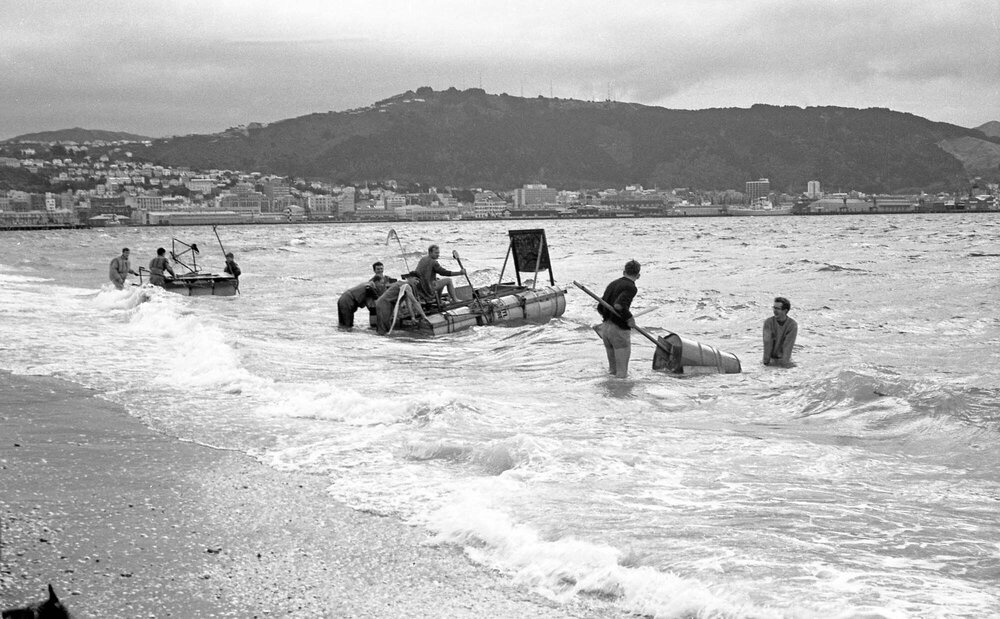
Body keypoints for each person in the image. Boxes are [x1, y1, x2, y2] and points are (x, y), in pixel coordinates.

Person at [597, 260, 640, 378]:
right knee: (622, 374)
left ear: (624, 272)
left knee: (612, 371)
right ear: (638, 276)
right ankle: (621, 395)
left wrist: (609, 318)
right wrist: (629, 318)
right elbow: (619, 305)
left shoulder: (612, 284)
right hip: (618, 331)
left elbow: (600, 307)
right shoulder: (631, 287)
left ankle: (610, 394)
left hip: (605, 329)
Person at [763, 296, 798, 366]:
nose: (774, 311)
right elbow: (767, 343)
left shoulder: (792, 325)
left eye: (777, 308)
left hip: (783, 359)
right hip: (771, 359)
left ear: (785, 311)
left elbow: (788, 346)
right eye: (774, 308)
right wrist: (766, 362)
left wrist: (784, 364)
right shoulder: (768, 322)